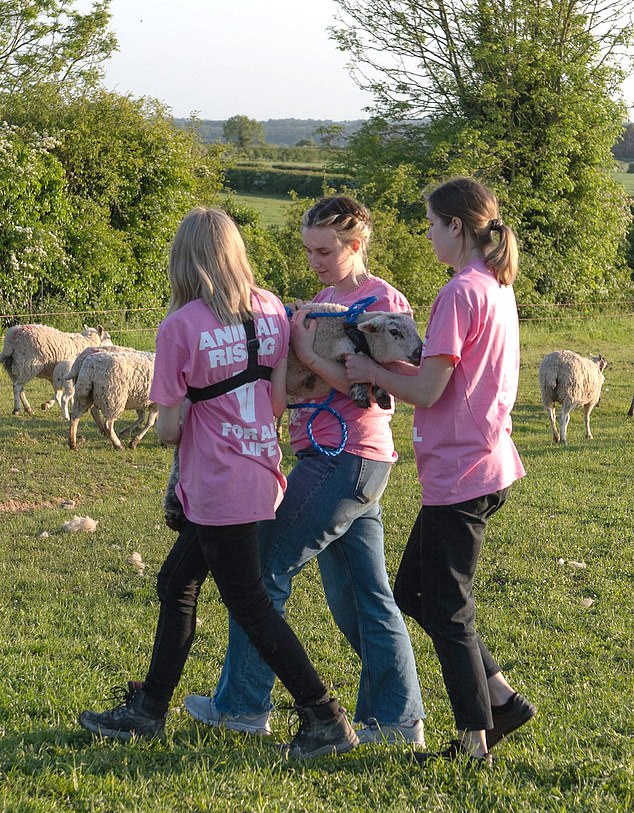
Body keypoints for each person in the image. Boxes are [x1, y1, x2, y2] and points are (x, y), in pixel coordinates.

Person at [78, 207, 358, 759]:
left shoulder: (181, 325)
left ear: (184, 259)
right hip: (258, 471)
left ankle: (323, 714)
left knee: (250, 604)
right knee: (175, 584)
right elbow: (276, 401)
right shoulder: (270, 309)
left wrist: (195, 405)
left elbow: (169, 429)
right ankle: (150, 708)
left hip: (213, 484)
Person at [184, 195, 426, 745]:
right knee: (362, 595)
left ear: (356, 244)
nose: (315, 260)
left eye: (325, 250)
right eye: (309, 250)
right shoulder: (323, 300)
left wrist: (305, 352)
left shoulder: (381, 301)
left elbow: (376, 395)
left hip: (345, 457)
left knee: (263, 570)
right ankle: (395, 720)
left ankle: (243, 705)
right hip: (343, 461)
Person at [345, 178, 536, 766]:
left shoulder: (459, 291)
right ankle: (500, 698)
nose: (426, 234)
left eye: (430, 223)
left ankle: (474, 740)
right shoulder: (494, 287)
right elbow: (446, 371)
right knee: (414, 592)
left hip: (462, 470)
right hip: (484, 461)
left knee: (447, 606)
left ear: (457, 226)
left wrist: (368, 371)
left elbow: (428, 389)